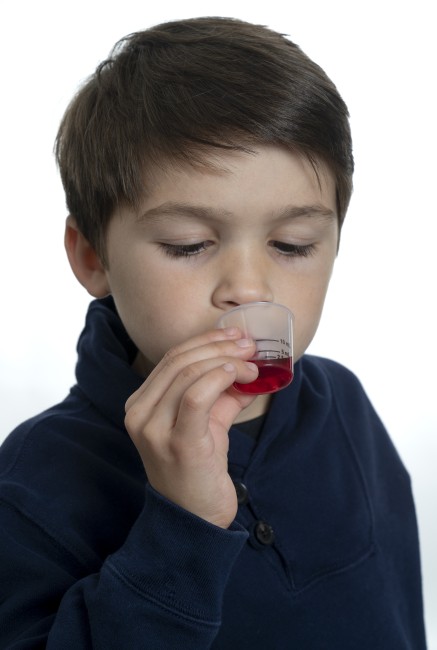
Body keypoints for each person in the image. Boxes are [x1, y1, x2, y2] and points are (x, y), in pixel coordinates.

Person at [0, 16, 427, 649]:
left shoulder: (347, 408)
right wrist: (184, 525)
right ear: (93, 257)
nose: (249, 288)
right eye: (189, 244)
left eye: (293, 244)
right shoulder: (31, 489)